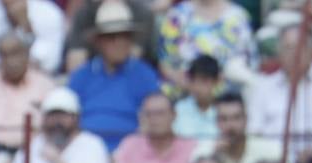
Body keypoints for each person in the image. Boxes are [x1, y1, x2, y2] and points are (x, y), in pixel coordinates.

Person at [245, 25, 312, 163]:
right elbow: (254, 131)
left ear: (311, 50)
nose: (295, 54)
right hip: (273, 161)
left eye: (300, 47)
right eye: (289, 48)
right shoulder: (263, 86)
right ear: (279, 53)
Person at [68, 2, 162, 152]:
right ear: (99, 42)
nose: (119, 43)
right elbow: (69, 117)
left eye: (125, 36)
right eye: (112, 37)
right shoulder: (81, 76)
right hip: (86, 149)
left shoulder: (145, 75)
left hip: (132, 149)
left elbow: (152, 121)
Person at [0, 31, 55, 149]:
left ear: (27, 54)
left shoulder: (46, 86)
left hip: (33, 151)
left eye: (15, 53)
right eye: (4, 55)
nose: (10, 61)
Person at [191, 92, 284, 163]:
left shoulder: (271, 151)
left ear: (246, 120)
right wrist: (213, 155)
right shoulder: (205, 152)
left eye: (236, 118)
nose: (230, 125)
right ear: (216, 122)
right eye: (224, 119)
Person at [0, 0, 66, 91]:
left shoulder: (49, 12)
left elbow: (50, 62)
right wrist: (0, 69)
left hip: (34, 77)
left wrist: (26, 28)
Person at [157, 0, 257, 91]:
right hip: (183, 90)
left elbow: (250, 62)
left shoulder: (238, 16)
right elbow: (164, 63)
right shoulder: (177, 15)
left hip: (229, 94)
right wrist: (192, 87)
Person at [64, 0, 157, 73]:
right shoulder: (85, 14)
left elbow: (129, 64)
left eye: (125, 35)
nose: (118, 42)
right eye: (110, 36)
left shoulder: (142, 14)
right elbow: (75, 68)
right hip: (92, 79)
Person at [173, 54, 221, 141]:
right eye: (194, 80)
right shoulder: (178, 110)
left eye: (204, 81)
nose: (197, 87)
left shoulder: (225, 111)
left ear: (216, 81)